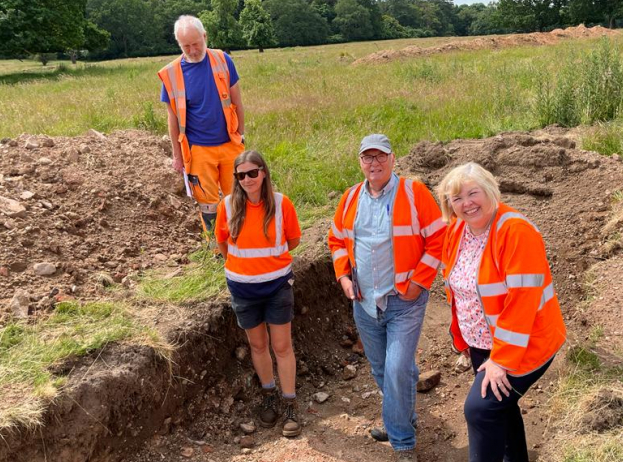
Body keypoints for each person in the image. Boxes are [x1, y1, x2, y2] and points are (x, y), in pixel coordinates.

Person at [436, 162, 567, 462]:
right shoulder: (457, 230)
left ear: (490, 190)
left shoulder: (516, 231)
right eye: (457, 198)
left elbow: (522, 301)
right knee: (501, 410)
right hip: (483, 343)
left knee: (480, 411)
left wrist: (501, 361)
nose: (466, 203)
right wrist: (465, 338)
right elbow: (458, 290)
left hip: (525, 343)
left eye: (473, 193)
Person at [327, 134, 446, 462]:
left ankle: (403, 442)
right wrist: (342, 277)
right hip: (364, 303)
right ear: (360, 163)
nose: (374, 163)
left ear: (393, 159)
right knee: (384, 369)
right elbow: (336, 240)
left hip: (404, 302)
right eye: (368, 158)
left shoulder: (414, 193)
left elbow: (438, 238)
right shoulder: (351, 198)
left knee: (396, 369)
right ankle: (403, 418)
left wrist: (419, 283)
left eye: (380, 157)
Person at [215, 150, 302, 437]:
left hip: (277, 286)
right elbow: (223, 244)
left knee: (282, 346)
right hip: (243, 288)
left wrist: (266, 265)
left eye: (253, 172)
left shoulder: (281, 204)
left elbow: (293, 240)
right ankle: (269, 395)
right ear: (236, 178)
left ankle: (289, 403)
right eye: (241, 175)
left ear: (263, 172)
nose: (248, 179)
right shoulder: (227, 207)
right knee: (258, 346)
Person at [158, 15, 245, 234]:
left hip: (229, 145)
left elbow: (237, 102)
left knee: (237, 197)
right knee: (207, 204)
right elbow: (173, 121)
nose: (193, 50)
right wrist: (177, 157)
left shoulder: (223, 60)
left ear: (205, 36)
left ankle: (240, 240)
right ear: (179, 44)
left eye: (196, 43)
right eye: (186, 46)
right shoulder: (171, 74)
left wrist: (241, 135)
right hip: (197, 150)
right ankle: (217, 248)